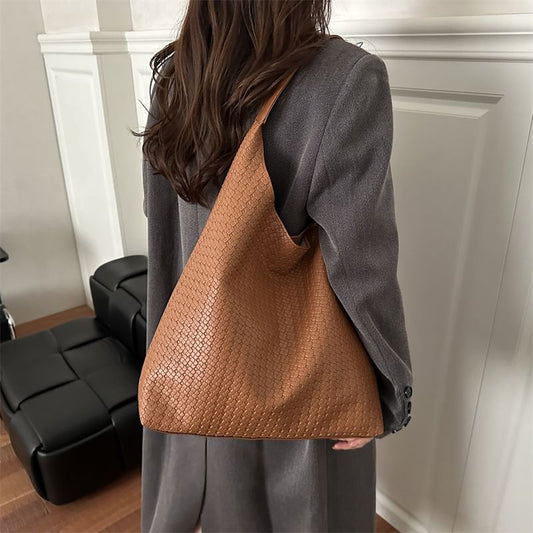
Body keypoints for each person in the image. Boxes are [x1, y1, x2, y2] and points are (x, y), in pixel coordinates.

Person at [134, 1, 413, 531]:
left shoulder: (176, 74)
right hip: (303, 387)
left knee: (227, 513)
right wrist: (387, 390)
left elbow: (160, 219)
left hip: (192, 362)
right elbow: (361, 265)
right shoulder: (346, 80)